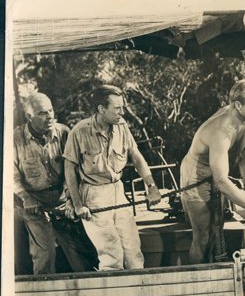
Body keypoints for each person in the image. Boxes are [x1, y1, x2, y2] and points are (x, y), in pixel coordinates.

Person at [64, 85, 162, 271]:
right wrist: (77, 204)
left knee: (133, 252)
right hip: (93, 195)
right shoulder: (79, 131)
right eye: (117, 108)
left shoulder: (122, 126)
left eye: (122, 107)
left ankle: (138, 295)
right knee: (112, 257)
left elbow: (136, 156)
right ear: (102, 109)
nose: (122, 112)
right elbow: (69, 169)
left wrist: (152, 186)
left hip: (118, 190)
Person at [180, 79, 245, 264]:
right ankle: (196, 281)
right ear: (238, 105)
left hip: (214, 173)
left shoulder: (244, 120)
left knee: (217, 230)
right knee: (203, 237)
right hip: (195, 177)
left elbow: (244, 156)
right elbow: (222, 180)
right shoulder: (221, 130)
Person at [14, 93, 96, 274]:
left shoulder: (64, 133)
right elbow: (11, 178)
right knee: (45, 252)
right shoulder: (15, 139)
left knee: (81, 254)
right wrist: (26, 198)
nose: (50, 116)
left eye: (50, 110)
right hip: (32, 203)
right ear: (29, 117)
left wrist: (71, 200)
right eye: (43, 113)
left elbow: (74, 171)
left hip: (62, 200)